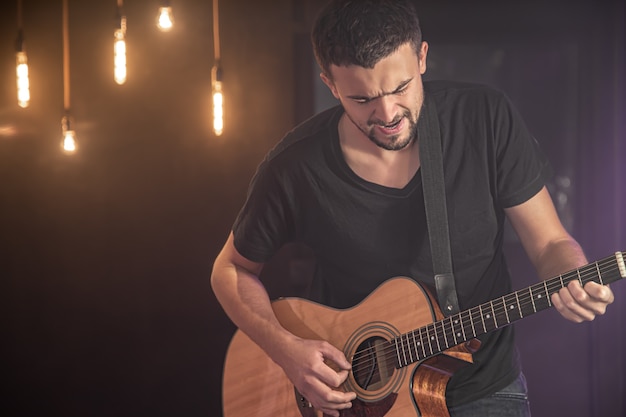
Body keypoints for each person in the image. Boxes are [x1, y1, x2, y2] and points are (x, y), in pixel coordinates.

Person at [210, 0, 615, 416]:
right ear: (330, 84)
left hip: (485, 388)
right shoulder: (295, 166)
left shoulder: (484, 118)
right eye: (362, 98)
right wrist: (286, 351)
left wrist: (569, 277)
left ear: (422, 57)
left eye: (400, 88)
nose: (386, 115)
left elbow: (550, 242)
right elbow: (231, 270)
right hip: (358, 401)